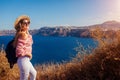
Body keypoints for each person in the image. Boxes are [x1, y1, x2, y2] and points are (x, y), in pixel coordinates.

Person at [13, 15, 37, 80]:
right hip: (23, 60)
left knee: (34, 73)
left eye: (28, 23)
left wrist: (27, 31)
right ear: (21, 25)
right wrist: (28, 54)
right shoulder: (22, 35)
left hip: (26, 60)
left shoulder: (25, 34)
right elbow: (19, 50)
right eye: (25, 23)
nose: (27, 24)